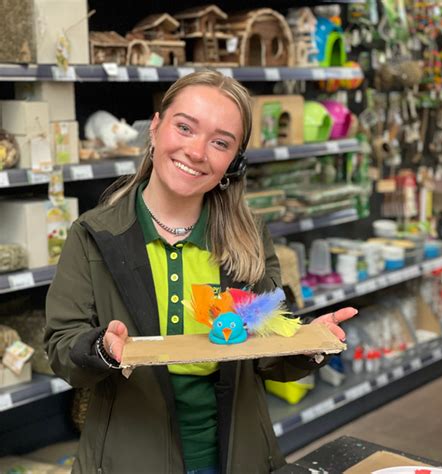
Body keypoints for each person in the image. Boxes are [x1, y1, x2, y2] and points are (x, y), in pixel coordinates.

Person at [45, 70, 358, 474]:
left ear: (233, 160)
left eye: (220, 142)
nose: (196, 151)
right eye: (185, 127)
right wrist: (101, 349)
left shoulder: (249, 240)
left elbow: (267, 357)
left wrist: (307, 342)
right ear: (155, 128)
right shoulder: (94, 236)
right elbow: (60, 349)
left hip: (233, 458)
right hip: (128, 459)